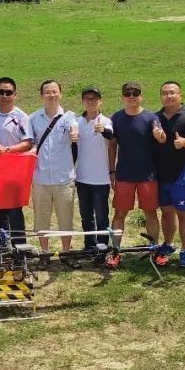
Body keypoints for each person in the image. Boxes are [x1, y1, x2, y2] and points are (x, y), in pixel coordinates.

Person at [106, 83, 161, 268]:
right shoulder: (116, 118)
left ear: (141, 96)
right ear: (122, 97)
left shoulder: (151, 117)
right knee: (120, 213)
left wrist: (160, 135)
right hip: (124, 174)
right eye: (127, 94)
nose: (131, 96)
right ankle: (115, 251)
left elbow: (161, 138)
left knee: (151, 213)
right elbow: (112, 145)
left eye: (135, 93)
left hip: (148, 174)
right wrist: (112, 170)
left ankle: (154, 249)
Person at [151, 82, 185, 268]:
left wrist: (184, 142)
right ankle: (169, 244)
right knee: (166, 212)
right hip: (161, 174)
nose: (168, 96)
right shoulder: (155, 117)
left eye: (172, 93)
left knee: (184, 214)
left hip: (183, 175)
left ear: (180, 95)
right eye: (164, 93)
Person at [28, 80, 79, 258]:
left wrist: (74, 134)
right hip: (40, 178)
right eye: (48, 92)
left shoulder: (69, 116)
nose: (52, 95)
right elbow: (29, 141)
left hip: (64, 178)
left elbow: (74, 129)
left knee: (66, 218)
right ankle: (44, 253)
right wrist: (33, 147)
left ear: (61, 93)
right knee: (42, 219)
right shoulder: (33, 118)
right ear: (42, 95)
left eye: (55, 91)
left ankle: (66, 252)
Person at [0, 77, 34, 245]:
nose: (5, 96)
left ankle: (19, 246)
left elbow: (28, 143)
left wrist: (8, 149)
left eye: (9, 92)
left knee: (14, 210)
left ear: (15, 95)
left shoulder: (21, 116)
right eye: (1, 92)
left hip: (14, 170)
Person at [74, 87, 113, 261]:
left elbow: (111, 135)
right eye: (87, 98)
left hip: (101, 178)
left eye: (94, 98)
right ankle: (89, 245)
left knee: (102, 215)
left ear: (100, 101)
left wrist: (102, 130)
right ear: (83, 101)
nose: (91, 101)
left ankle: (103, 247)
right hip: (81, 177)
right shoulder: (77, 122)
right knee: (86, 215)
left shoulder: (105, 121)